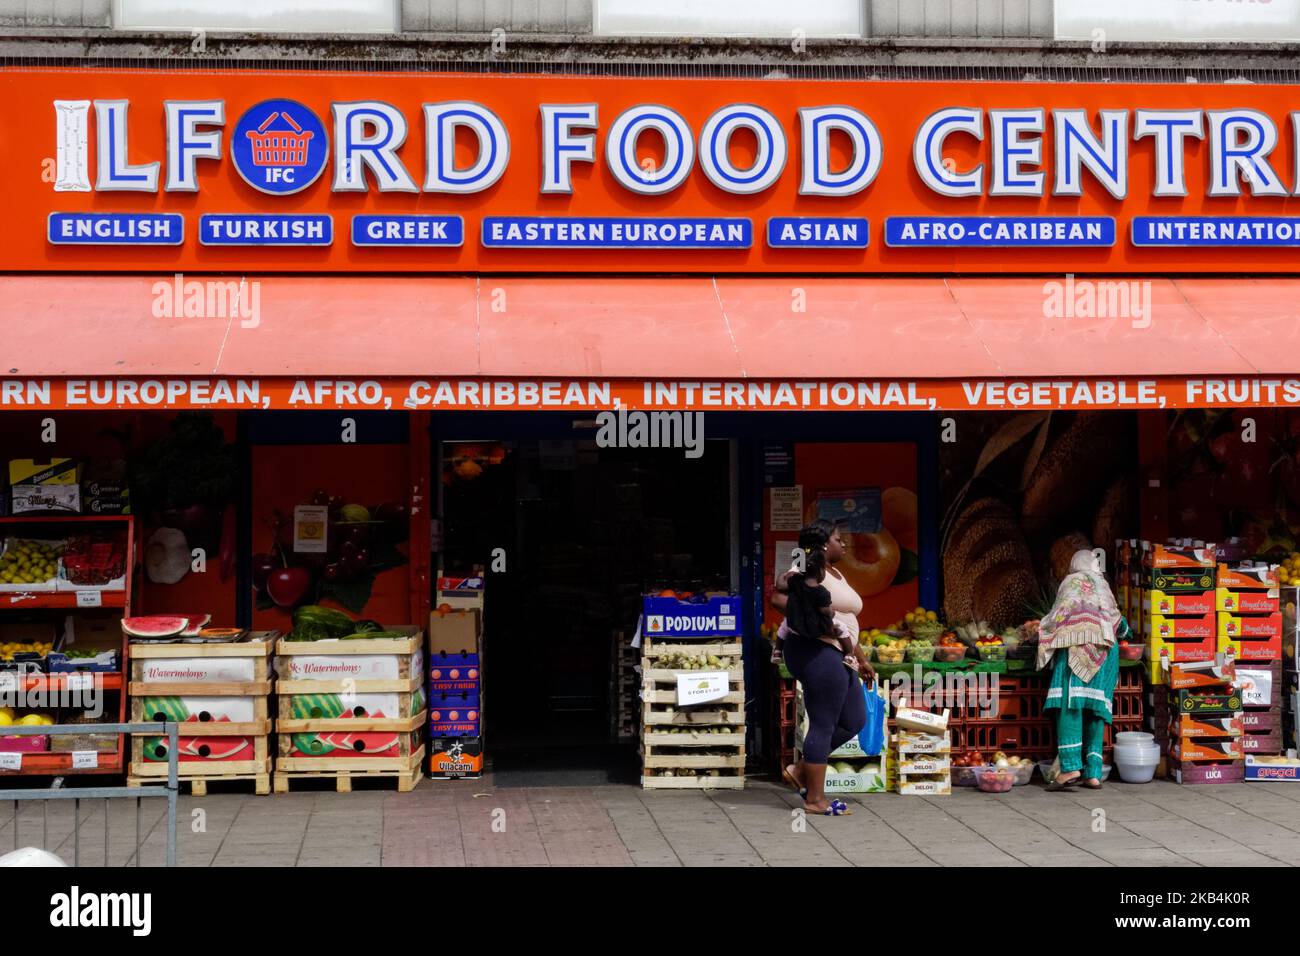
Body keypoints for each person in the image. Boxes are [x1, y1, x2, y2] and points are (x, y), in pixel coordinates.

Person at [771, 519, 875, 815]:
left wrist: (862, 658)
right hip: (817, 650)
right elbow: (778, 597)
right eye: (839, 539)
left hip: (841, 652)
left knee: (854, 719)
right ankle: (814, 799)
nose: (844, 544)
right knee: (824, 722)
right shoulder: (804, 565)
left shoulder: (836, 572)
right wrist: (816, 624)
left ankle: (803, 769)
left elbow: (845, 621)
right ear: (822, 545)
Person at [1038, 549, 1122, 792]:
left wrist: (1042, 629)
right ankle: (1093, 773)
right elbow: (1117, 620)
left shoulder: (1070, 581)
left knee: (1070, 703)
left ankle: (1070, 767)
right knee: (1095, 708)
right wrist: (1126, 634)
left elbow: (1058, 615)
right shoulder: (1103, 585)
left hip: (1077, 646)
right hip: (1106, 651)